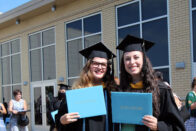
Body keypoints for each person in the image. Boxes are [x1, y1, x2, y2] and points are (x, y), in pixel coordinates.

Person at [116, 35, 185, 131]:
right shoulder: (120, 91)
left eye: (136, 57)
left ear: (144, 60)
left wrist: (158, 126)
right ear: (123, 63)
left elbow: (178, 127)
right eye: (127, 59)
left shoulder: (161, 90)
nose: (132, 62)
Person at [55, 42, 118, 131]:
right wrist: (62, 120)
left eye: (103, 64)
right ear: (89, 66)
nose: (100, 67)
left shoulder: (112, 92)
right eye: (95, 63)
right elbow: (59, 119)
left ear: (107, 67)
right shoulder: (77, 92)